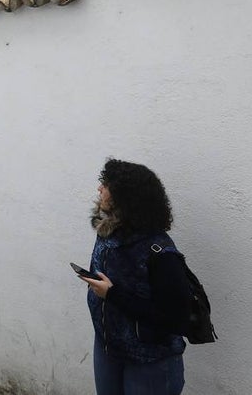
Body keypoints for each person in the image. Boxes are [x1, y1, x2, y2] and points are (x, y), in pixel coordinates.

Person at [79, 158, 188, 395]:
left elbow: (176, 317)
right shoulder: (108, 233)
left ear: (125, 197)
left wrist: (112, 294)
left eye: (106, 185)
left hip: (149, 360)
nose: (99, 188)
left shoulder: (159, 251)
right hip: (108, 347)